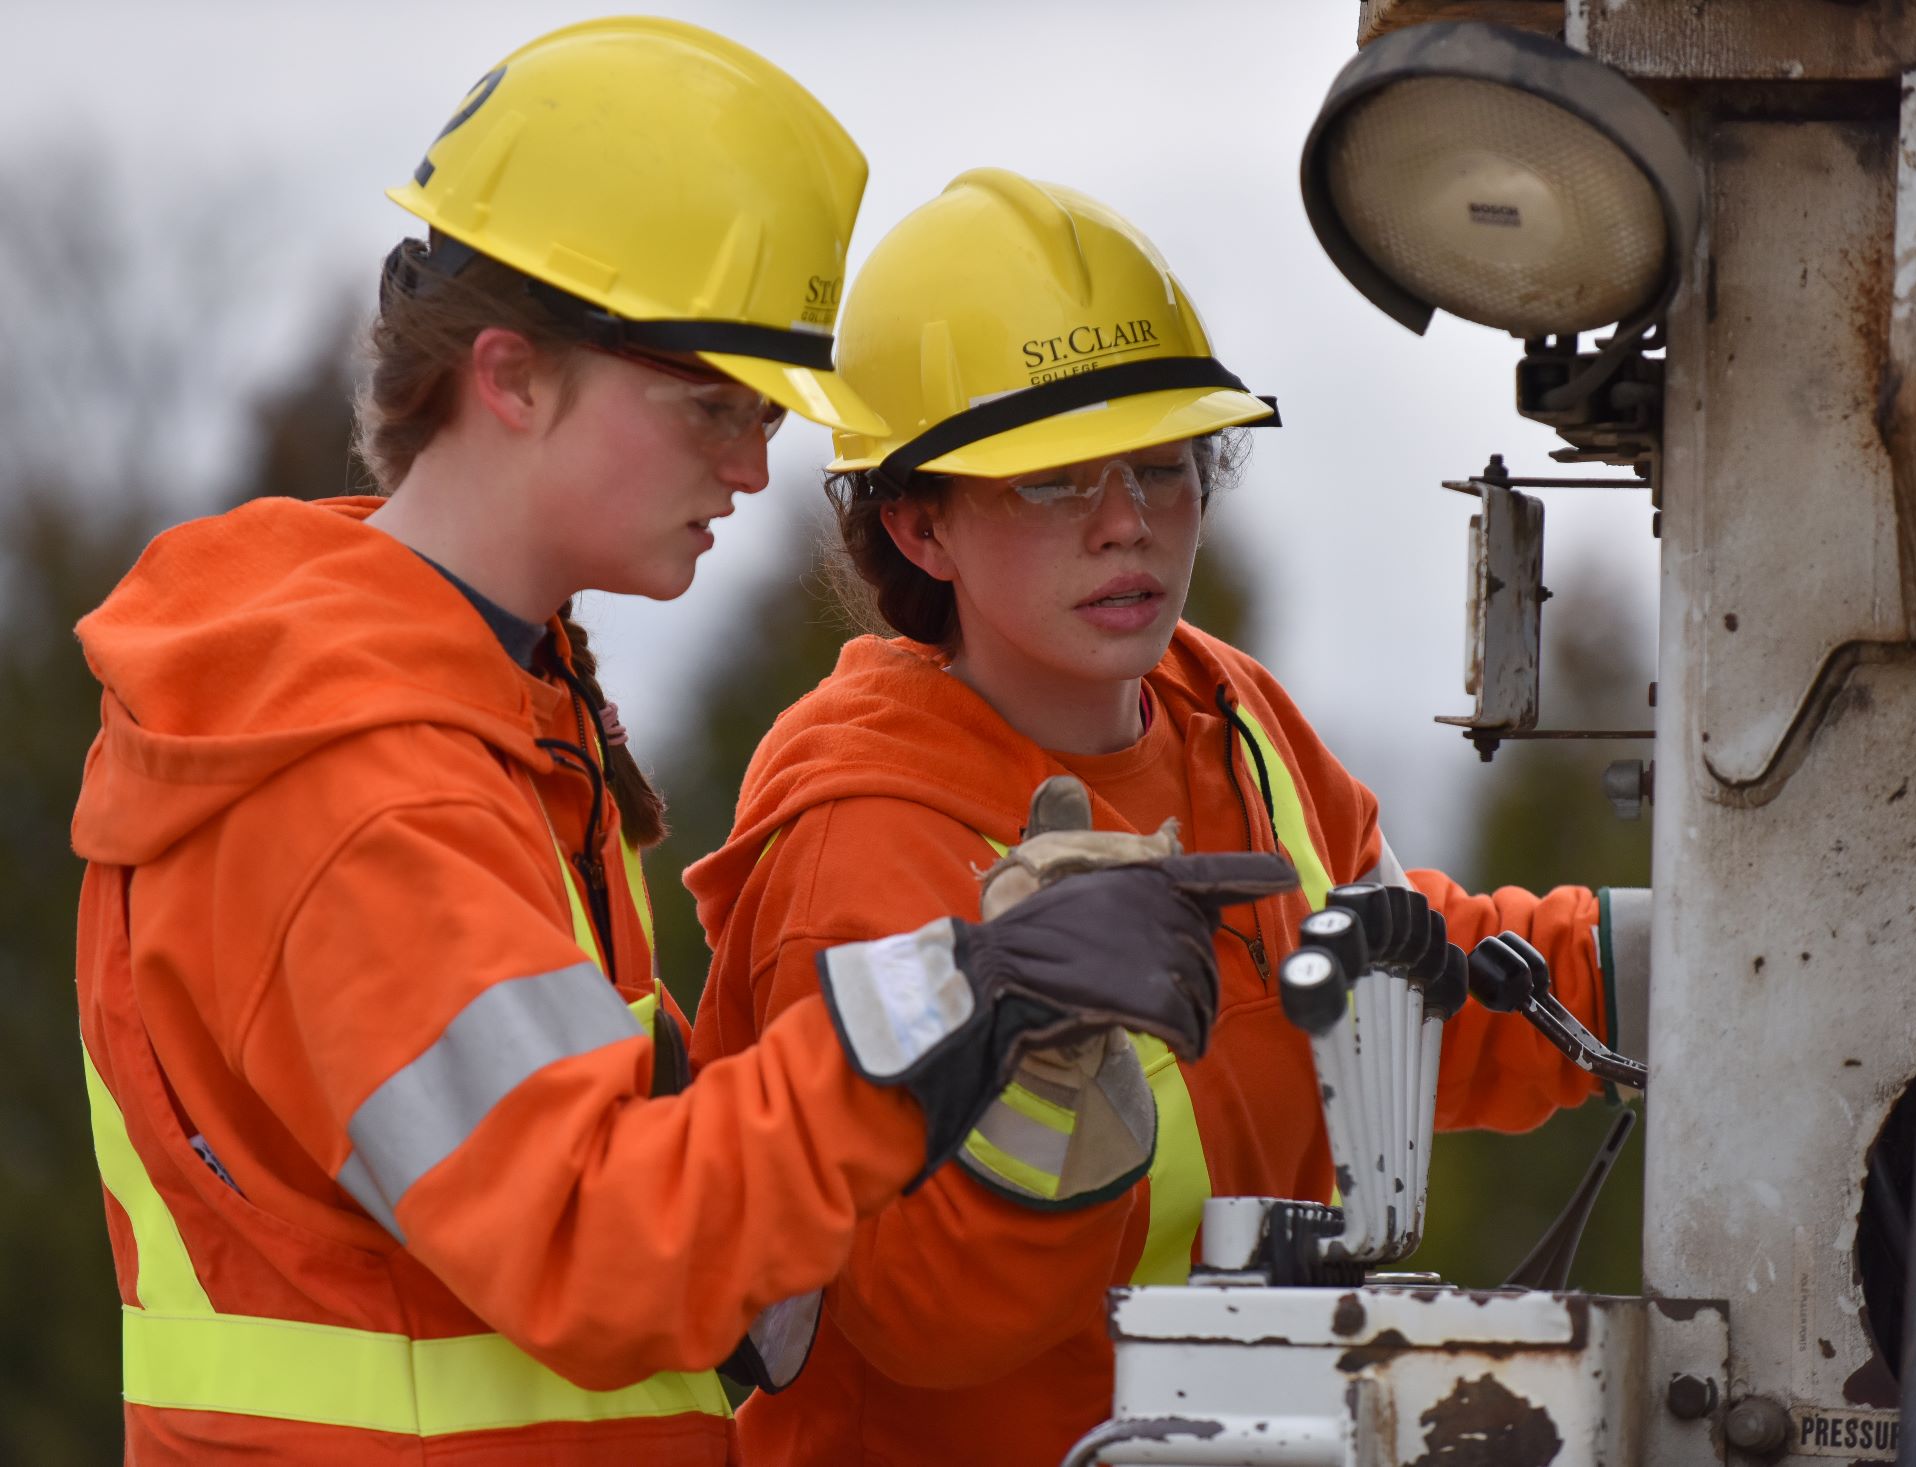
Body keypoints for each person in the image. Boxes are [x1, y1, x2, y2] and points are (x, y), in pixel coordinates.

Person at [69, 32, 1292, 1464]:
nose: (755, 465)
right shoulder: (352, 773)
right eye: (712, 405)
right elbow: (602, 1239)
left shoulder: (487, 720)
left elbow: (718, 1276)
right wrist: (959, 994)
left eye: (765, 415)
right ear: (512, 375)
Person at [686, 169, 1649, 1466]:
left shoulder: (1231, 710)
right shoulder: (865, 824)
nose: (1128, 523)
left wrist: (1684, 967)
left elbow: (1402, 986)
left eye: (1164, 466)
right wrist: (1046, 1078)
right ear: (919, 527)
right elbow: (919, 1323)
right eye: (1051, 484)